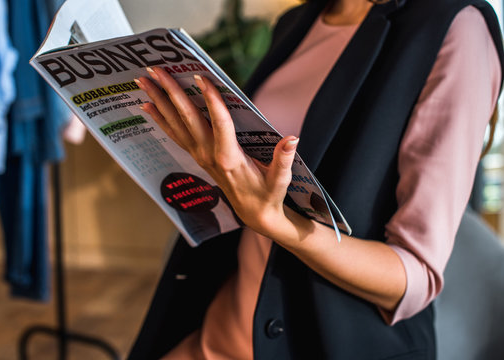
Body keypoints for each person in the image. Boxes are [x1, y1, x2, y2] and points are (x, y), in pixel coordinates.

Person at [128, 0, 504, 358]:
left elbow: (414, 279)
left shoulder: (456, 26)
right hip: (222, 327)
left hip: (318, 344)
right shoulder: (297, 23)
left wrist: (279, 223)